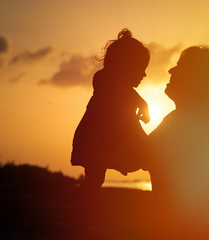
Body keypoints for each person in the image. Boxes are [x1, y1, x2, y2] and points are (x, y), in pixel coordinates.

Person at [71, 28, 150, 233]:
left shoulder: (119, 88)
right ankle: (82, 216)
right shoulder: (104, 80)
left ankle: (84, 215)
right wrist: (143, 104)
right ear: (125, 66)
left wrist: (142, 105)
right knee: (94, 179)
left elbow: (127, 93)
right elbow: (123, 91)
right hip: (97, 140)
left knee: (95, 179)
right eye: (140, 68)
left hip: (108, 139)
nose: (144, 74)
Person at [148, 46, 209, 239]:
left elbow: (137, 154)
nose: (171, 71)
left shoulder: (190, 121)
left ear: (195, 79)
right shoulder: (188, 118)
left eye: (179, 67)